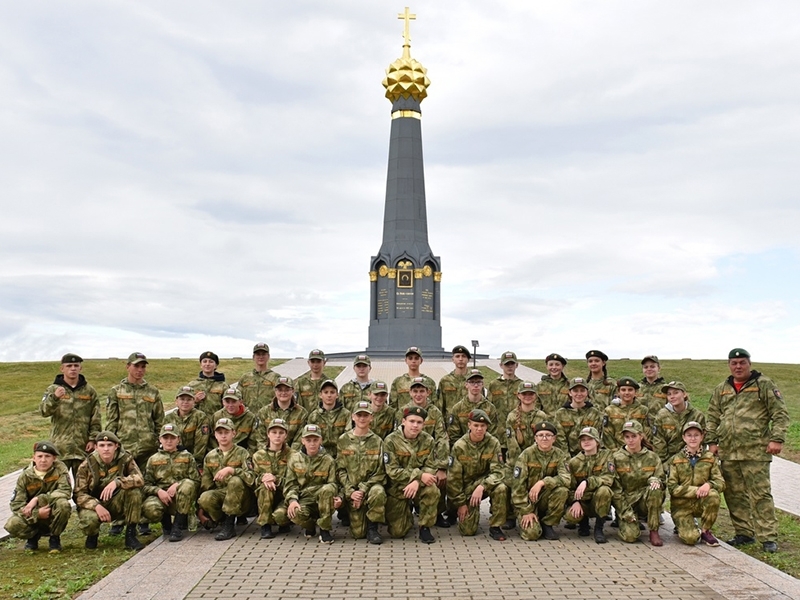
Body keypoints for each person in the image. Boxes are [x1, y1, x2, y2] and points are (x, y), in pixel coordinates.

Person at [706, 348, 790, 553]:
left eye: (742, 362)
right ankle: (744, 533)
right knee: (734, 494)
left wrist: (776, 439)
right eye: (734, 363)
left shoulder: (763, 384)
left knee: (760, 494)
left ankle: (768, 537)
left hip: (755, 451)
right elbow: (712, 416)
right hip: (728, 452)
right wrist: (712, 442)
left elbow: (780, 413)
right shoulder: (722, 388)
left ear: (749, 363)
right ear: (729, 365)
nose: (738, 366)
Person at [106, 352, 164, 535]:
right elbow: (111, 420)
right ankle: (119, 520)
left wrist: (158, 441)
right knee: (121, 482)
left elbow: (159, 420)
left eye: (143, 367)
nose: (140, 370)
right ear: (128, 366)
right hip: (125, 447)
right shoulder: (117, 391)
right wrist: (111, 445)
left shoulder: (152, 392)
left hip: (147, 447)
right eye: (136, 366)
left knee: (144, 482)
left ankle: (143, 520)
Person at [74, 431, 145, 550]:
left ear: (116, 446)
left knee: (134, 492)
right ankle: (92, 535)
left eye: (109, 445)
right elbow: (79, 494)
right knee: (89, 520)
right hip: (95, 504)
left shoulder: (125, 458)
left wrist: (118, 482)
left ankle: (131, 535)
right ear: (96, 447)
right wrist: (96, 506)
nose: (106, 449)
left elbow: (139, 479)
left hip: (116, 501)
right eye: (102, 445)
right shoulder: (87, 465)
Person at [447, 409, 509, 540]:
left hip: (484, 486)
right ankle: (454, 510)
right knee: (467, 531)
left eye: (483, 426)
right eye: (476, 425)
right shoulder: (460, 446)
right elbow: (453, 479)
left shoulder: (493, 443)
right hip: (466, 490)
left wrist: (482, 486)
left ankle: (496, 527)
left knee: (501, 488)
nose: (479, 429)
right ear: (469, 425)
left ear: (487, 427)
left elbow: (498, 471)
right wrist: (461, 503)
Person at [383, 406, 441, 543]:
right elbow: (392, 471)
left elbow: (431, 467)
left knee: (432, 490)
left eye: (419, 422)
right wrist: (419, 476)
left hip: (419, 486)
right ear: (403, 421)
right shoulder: (390, 441)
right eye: (412, 421)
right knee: (398, 532)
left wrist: (417, 481)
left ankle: (425, 527)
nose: (415, 425)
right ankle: (406, 513)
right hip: (397, 488)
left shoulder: (428, 440)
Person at [39, 353, 101, 478]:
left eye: (76, 365)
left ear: (80, 368)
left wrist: (93, 439)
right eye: (69, 366)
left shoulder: (89, 391)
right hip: (60, 448)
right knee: (58, 484)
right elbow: (44, 411)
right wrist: (55, 398)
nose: (73, 368)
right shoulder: (53, 389)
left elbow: (96, 417)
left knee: (83, 487)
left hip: (82, 448)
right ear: (62, 369)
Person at [399, 377, 450, 527]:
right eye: (415, 391)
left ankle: (437, 512)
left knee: (439, 480)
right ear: (410, 393)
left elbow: (442, 438)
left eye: (422, 391)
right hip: (407, 457)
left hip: (430, 457)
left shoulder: (434, 412)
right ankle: (407, 508)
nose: (418, 394)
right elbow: (397, 436)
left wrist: (441, 467)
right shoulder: (403, 411)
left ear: (428, 392)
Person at [4, 441, 72, 552]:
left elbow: (65, 491)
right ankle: (33, 537)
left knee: (63, 505)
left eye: (47, 456)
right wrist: (37, 514)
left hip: (52, 509)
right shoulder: (25, 476)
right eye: (40, 456)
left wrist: (37, 499)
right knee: (13, 524)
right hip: (33, 513)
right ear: (34, 458)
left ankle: (54, 538)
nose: (43, 460)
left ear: (54, 458)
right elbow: (16, 504)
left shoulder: (60, 471)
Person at [667, 421, 725, 547]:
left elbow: (720, 482)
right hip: (681, 506)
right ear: (684, 437)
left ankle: (706, 531)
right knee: (691, 539)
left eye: (696, 435)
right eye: (689, 435)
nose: (693, 438)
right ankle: (683, 526)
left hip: (701, 502)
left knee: (713, 495)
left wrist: (709, 485)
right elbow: (672, 488)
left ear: (702, 437)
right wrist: (696, 490)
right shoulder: (676, 459)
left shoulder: (710, 458)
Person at [336, 401, 387, 544]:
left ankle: (373, 527)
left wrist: (363, 490)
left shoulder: (377, 441)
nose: (362, 419)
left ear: (371, 418)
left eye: (366, 415)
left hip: (370, 489)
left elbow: (381, 471)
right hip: (351, 491)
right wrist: (351, 491)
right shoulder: (343, 440)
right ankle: (347, 511)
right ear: (353, 417)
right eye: (359, 415)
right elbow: (340, 470)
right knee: (357, 534)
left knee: (379, 491)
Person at [198, 418, 256, 541]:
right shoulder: (210, 456)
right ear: (215, 435)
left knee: (235, 481)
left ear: (233, 433)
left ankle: (229, 525)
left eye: (226, 432)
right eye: (220, 433)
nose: (223, 436)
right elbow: (206, 484)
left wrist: (232, 470)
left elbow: (251, 478)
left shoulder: (242, 453)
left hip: (242, 498)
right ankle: (221, 520)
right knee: (205, 497)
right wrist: (201, 511)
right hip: (222, 493)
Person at [511, 421, 570, 542]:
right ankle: (533, 519)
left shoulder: (560, 455)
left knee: (562, 491)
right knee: (532, 535)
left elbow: (566, 478)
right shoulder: (526, 455)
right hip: (527, 501)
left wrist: (543, 482)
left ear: (554, 439)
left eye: (548, 435)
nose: (544, 438)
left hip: (545, 497)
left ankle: (548, 523)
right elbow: (518, 486)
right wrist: (526, 510)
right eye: (541, 435)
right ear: (535, 438)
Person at [141, 424, 200, 542]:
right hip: (162, 497)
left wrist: (178, 484)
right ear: (160, 439)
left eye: (172, 438)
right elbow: (145, 484)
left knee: (187, 484)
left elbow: (196, 480)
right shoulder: (153, 459)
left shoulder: (187, 456)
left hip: (181, 497)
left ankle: (178, 526)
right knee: (151, 509)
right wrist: (158, 491)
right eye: (165, 438)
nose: (169, 441)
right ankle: (167, 525)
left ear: (178, 439)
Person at [284, 424, 340, 544]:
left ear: (321, 440)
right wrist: (292, 500)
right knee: (295, 514)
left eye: (315, 440)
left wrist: (338, 498)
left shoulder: (328, 460)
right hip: (304, 499)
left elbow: (334, 483)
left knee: (328, 488)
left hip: (323, 500)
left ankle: (325, 529)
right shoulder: (294, 459)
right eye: (308, 440)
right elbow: (290, 484)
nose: (312, 443)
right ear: (302, 441)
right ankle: (310, 525)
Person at [612, 420, 665, 546]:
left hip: (644, 500)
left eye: (634, 436)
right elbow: (615, 489)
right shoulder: (616, 458)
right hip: (627, 502)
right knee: (631, 537)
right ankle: (624, 521)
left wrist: (655, 480)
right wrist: (625, 512)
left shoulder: (652, 457)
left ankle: (654, 530)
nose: (630, 440)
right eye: (627, 437)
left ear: (641, 436)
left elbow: (661, 478)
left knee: (656, 489)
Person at [564, 426, 619, 544]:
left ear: (597, 441)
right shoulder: (574, 462)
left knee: (604, 490)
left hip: (598, 501)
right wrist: (575, 501)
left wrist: (587, 482)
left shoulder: (606, 456)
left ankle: (599, 529)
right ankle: (583, 523)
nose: (586, 442)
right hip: (582, 501)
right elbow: (569, 486)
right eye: (583, 440)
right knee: (570, 517)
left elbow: (609, 478)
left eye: (590, 439)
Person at [252, 418, 299, 539]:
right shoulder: (258, 455)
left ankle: (284, 521)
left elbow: (295, 481)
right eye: (274, 432)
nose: (277, 436)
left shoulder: (293, 455)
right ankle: (265, 525)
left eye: (281, 432)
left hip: (286, 496)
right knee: (265, 487)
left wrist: (275, 479)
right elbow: (253, 478)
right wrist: (263, 478)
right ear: (268, 434)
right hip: (265, 497)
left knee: (280, 517)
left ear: (286, 435)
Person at [651, 381, 706, 465]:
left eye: (675, 393)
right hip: (669, 461)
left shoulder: (697, 415)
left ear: (684, 394)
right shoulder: (662, 415)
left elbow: (702, 441)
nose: (672, 397)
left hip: (693, 460)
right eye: (669, 394)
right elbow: (659, 442)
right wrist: (663, 464)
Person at [553, 377, 603, 457]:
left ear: (587, 392)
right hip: (567, 456)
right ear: (570, 393)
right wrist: (567, 458)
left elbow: (596, 437)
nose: (579, 394)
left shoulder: (594, 412)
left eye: (582, 390)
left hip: (590, 455)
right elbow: (560, 439)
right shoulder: (561, 413)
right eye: (575, 391)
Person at [487, 351, 523, 461]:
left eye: (512, 364)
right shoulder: (494, 385)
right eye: (507, 364)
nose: (510, 367)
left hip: (517, 434)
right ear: (501, 365)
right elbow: (488, 407)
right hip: (498, 434)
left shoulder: (521, 385)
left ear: (516, 365)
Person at [255, 376, 308, 450]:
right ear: (275, 391)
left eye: (287, 390)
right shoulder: (264, 412)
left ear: (293, 391)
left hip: (292, 456)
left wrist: (289, 456)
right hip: (268, 455)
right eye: (280, 390)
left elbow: (298, 441)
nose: (283, 393)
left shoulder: (302, 413)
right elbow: (261, 440)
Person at [447, 370, 499, 444]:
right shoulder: (458, 408)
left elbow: (493, 433)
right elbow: (454, 435)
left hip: (485, 450)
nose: (475, 385)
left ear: (482, 384)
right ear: (466, 384)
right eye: (472, 382)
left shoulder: (490, 408)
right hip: (463, 450)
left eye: (478, 382)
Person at [164, 386, 211, 465]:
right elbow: (164, 441)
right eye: (182, 399)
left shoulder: (200, 417)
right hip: (171, 459)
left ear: (194, 401)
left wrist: (194, 461)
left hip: (192, 460)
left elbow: (201, 443)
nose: (185, 402)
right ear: (176, 401)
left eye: (189, 399)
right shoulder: (168, 418)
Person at [307, 379, 352, 459]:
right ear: (320, 395)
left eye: (332, 392)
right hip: (320, 456)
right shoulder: (314, 416)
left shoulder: (346, 414)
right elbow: (310, 439)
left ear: (337, 395)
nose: (329, 395)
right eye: (326, 392)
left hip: (341, 455)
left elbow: (348, 438)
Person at [505, 381, 548, 464]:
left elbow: (543, 440)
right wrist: (520, 462)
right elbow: (511, 444)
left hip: (537, 459)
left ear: (535, 396)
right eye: (524, 394)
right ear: (519, 395)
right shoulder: (512, 417)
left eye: (531, 394)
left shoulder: (542, 416)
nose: (527, 397)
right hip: (516, 459)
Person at [601, 377, 649, 451]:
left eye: (630, 390)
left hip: (638, 452)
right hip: (617, 453)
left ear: (635, 392)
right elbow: (607, 435)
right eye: (623, 390)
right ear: (618, 392)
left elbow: (646, 433)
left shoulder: (643, 410)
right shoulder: (610, 410)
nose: (627, 393)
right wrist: (617, 453)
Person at [210, 388, 258, 456]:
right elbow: (211, 439)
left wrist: (247, 458)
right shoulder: (217, 416)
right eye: (227, 402)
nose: (230, 405)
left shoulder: (250, 418)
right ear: (223, 402)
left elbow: (253, 443)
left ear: (240, 402)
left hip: (242, 455)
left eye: (234, 401)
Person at [236, 343, 281, 414]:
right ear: (253, 357)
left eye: (263, 354)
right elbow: (237, 398)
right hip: (248, 417)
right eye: (258, 354)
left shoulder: (276, 377)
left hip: (268, 417)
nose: (261, 357)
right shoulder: (245, 378)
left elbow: (281, 399)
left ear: (268, 356)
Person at [186, 351, 227, 417]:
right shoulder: (192, 385)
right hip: (196, 422)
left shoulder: (223, 386)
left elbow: (229, 407)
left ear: (216, 365)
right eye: (204, 361)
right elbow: (182, 406)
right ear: (201, 365)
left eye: (211, 362)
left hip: (217, 422)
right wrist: (195, 400)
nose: (207, 364)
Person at [436, 345, 471, 418]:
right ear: (453, 359)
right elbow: (440, 406)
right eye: (457, 356)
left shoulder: (474, 381)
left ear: (468, 359)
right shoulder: (445, 381)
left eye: (463, 356)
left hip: (471, 423)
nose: (460, 359)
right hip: (451, 424)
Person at [536, 353, 570, 418]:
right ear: (547, 367)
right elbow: (536, 408)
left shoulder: (569, 385)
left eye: (557, 365)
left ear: (562, 366)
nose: (554, 367)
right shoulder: (540, 386)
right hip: (546, 424)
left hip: (565, 424)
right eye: (551, 365)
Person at [295, 349, 329, 414]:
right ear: (308, 363)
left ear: (324, 363)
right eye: (313, 361)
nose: (315, 365)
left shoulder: (329, 383)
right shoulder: (301, 383)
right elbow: (297, 406)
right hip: (306, 421)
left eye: (318, 361)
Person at [639, 355, 667, 419]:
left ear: (659, 368)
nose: (649, 369)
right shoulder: (637, 388)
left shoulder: (666, 389)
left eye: (652, 366)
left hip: (659, 425)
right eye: (646, 367)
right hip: (640, 426)